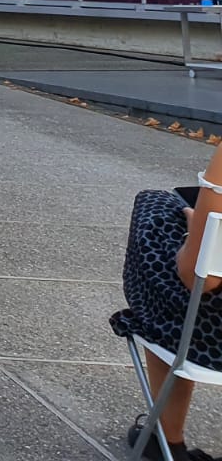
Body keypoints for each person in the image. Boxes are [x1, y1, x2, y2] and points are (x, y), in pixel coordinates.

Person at [113, 140, 222, 461]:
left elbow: (199, 277)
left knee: (157, 210)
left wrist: (194, 227)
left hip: (213, 343)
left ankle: (166, 440)